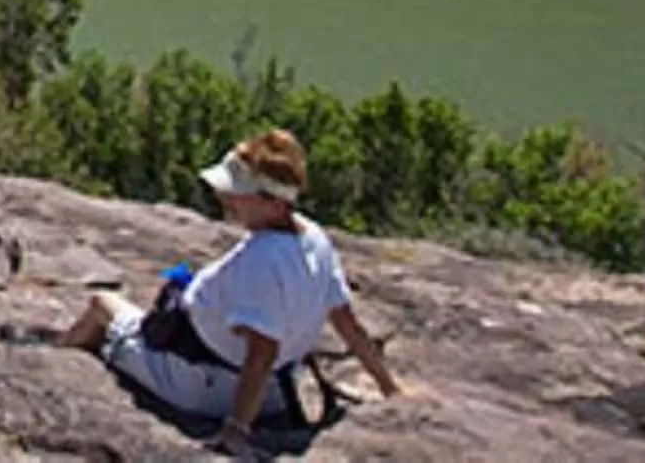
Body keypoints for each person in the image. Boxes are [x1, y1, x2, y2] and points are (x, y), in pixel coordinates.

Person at [54, 128, 402, 453]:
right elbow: (346, 322)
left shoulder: (262, 261)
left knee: (103, 304)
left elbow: (262, 351)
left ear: (274, 203)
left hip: (201, 384)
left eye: (239, 192)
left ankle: (56, 368)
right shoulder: (314, 239)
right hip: (274, 393)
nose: (226, 197)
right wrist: (389, 388)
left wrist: (236, 431)